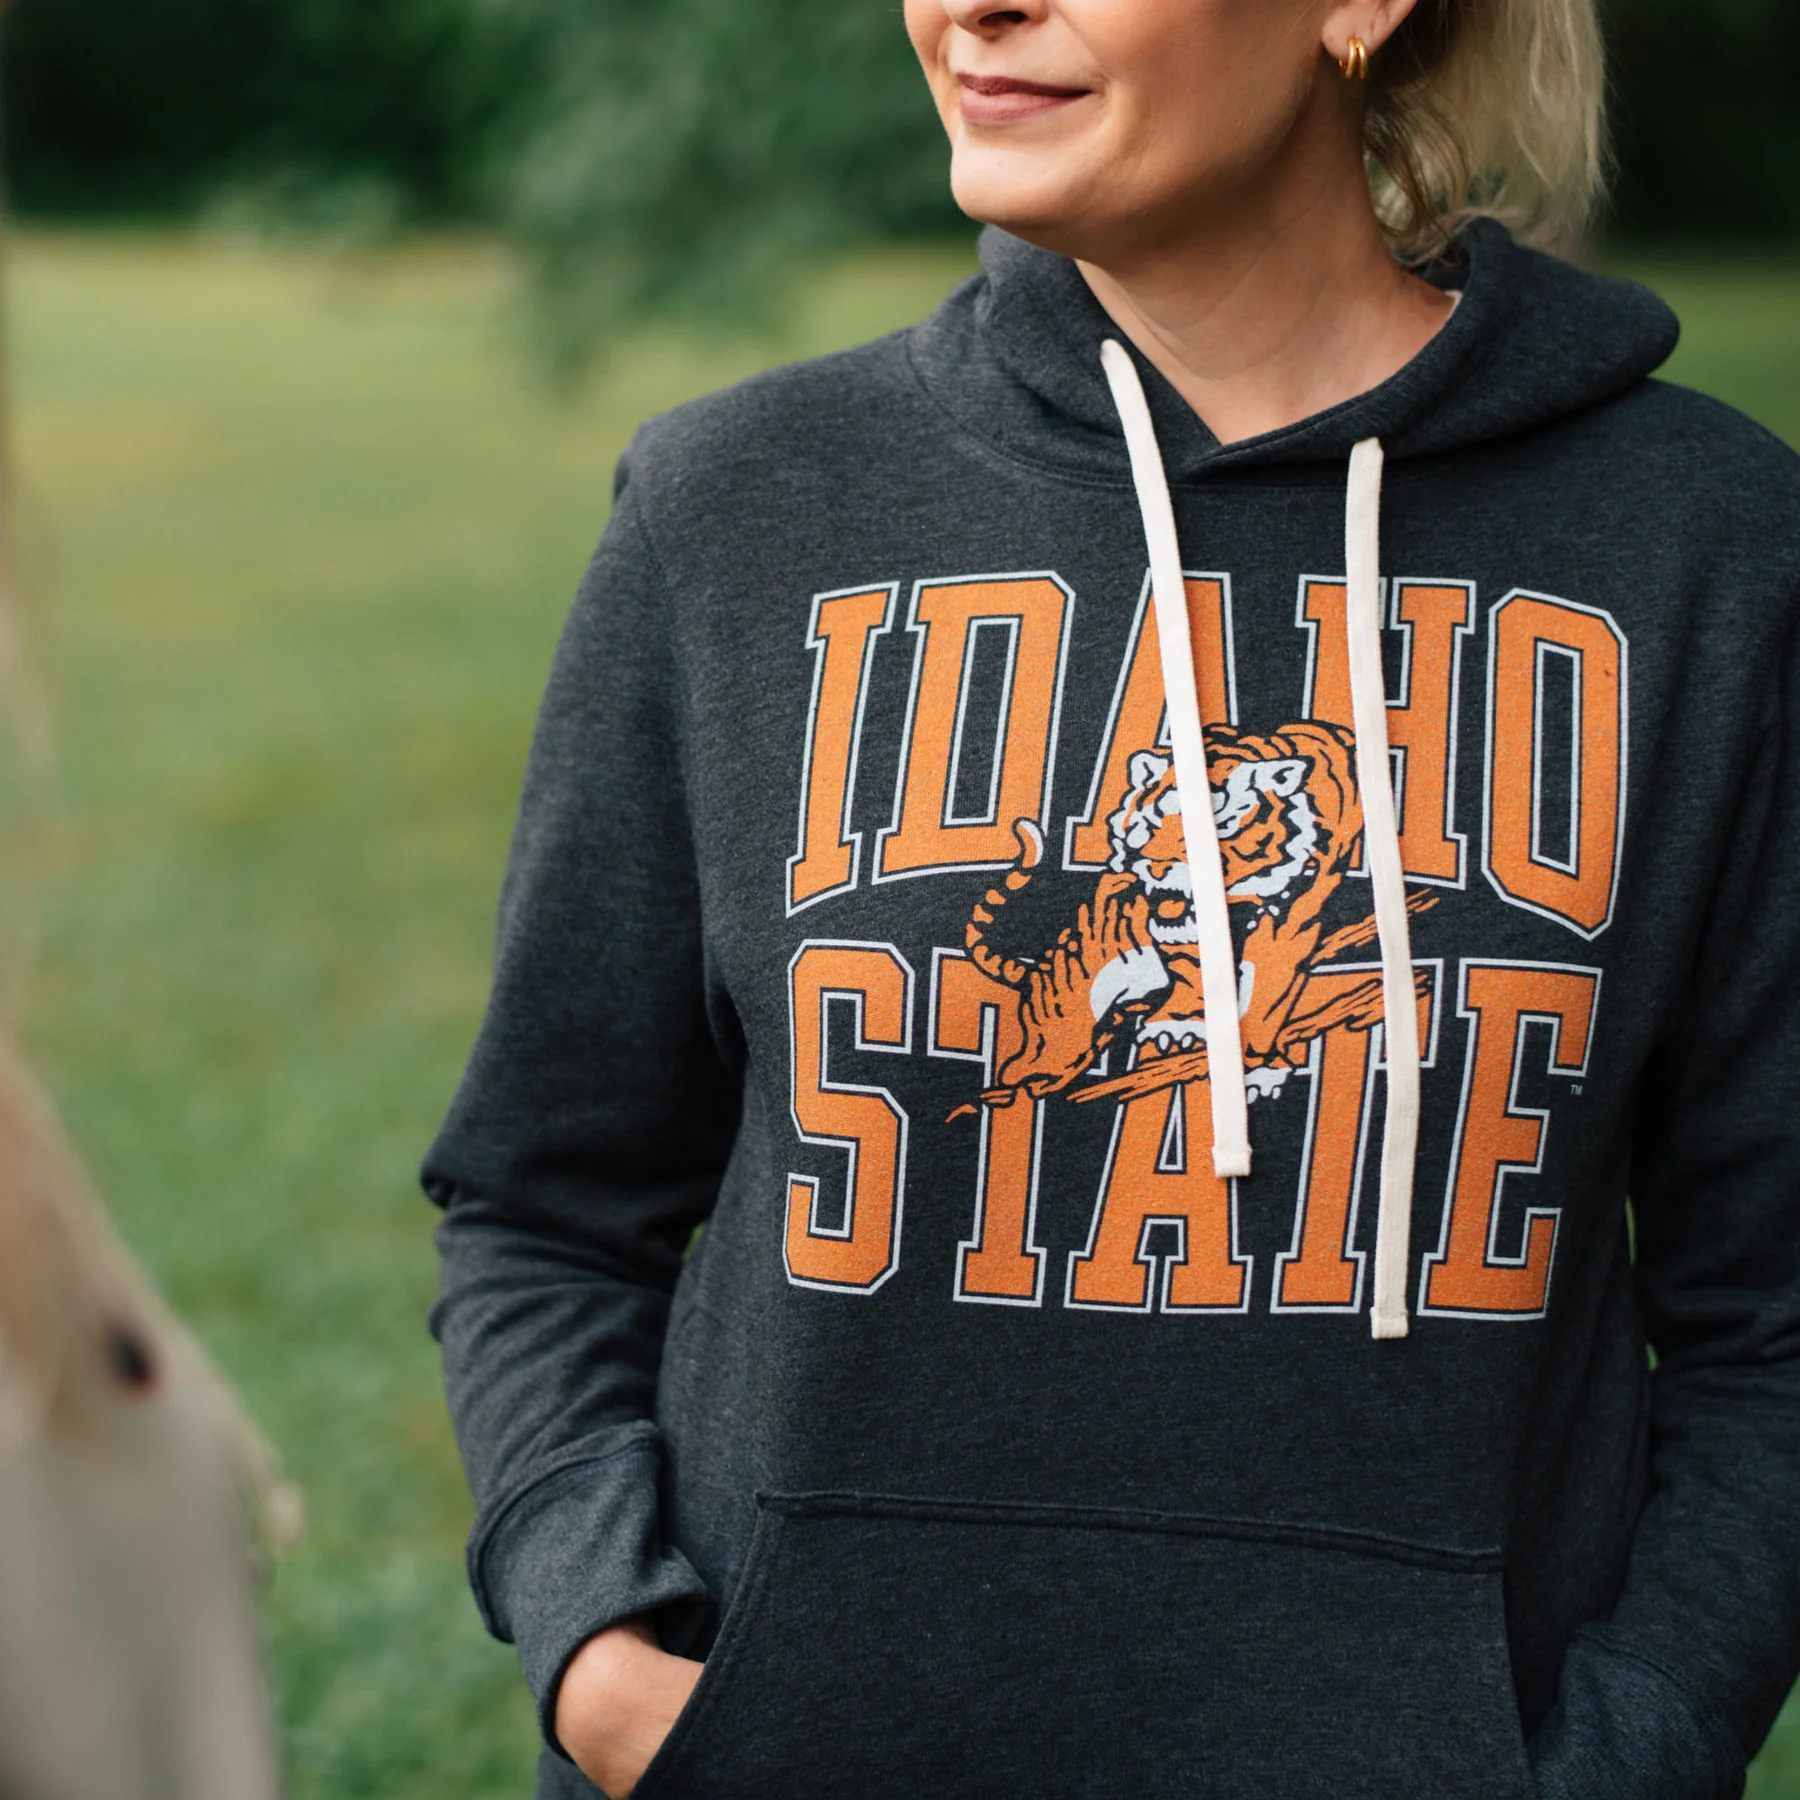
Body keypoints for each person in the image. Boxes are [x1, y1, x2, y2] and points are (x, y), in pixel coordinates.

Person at [422, 0, 1800, 1794]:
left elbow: (1773, 1327)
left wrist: (1614, 1761)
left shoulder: (1706, 550)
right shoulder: (738, 510)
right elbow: (542, 1205)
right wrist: (622, 1674)